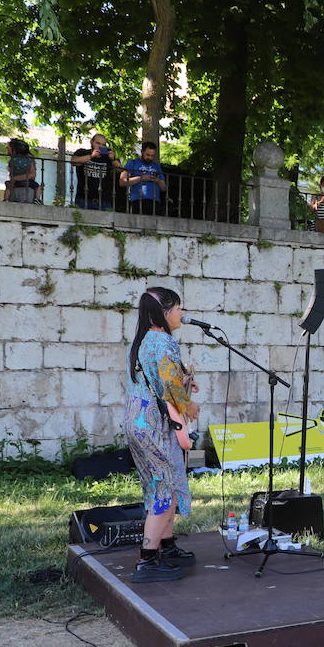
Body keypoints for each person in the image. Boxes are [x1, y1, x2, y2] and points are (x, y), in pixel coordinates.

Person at [125, 287, 199, 583]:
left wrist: (182, 383)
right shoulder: (163, 340)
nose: (182, 313)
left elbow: (161, 381)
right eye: (179, 308)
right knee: (164, 490)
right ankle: (148, 559)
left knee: (163, 483)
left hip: (140, 423)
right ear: (165, 311)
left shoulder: (146, 340)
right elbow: (170, 389)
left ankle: (166, 547)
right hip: (154, 426)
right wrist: (189, 405)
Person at [69, 133, 120, 210]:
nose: (100, 146)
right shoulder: (83, 152)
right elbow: (73, 161)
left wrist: (113, 159)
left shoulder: (108, 157)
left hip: (104, 200)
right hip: (83, 198)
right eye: (98, 143)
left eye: (103, 145)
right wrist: (92, 156)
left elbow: (121, 170)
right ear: (91, 142)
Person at [121, 141, 168, 215]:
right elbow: (122, 182)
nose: (149, 158)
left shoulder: (156, 166)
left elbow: (164, 188)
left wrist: (157, 180)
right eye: (147, 155)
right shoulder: (133, 163)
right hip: (137, 200)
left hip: (155, 202)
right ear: (142, 152)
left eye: (152, 156)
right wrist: (141, 178)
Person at [4, 138, 42, 203]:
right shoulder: (29, 159)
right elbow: (32, 175)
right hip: (26, 182)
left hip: (18, 183)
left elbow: (32, 174)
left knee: (8, 186)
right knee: (37, 187)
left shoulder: (13, 161)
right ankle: (37, 199)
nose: (7, 150)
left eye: (8, 148)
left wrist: (14, 178)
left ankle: (6, 199)